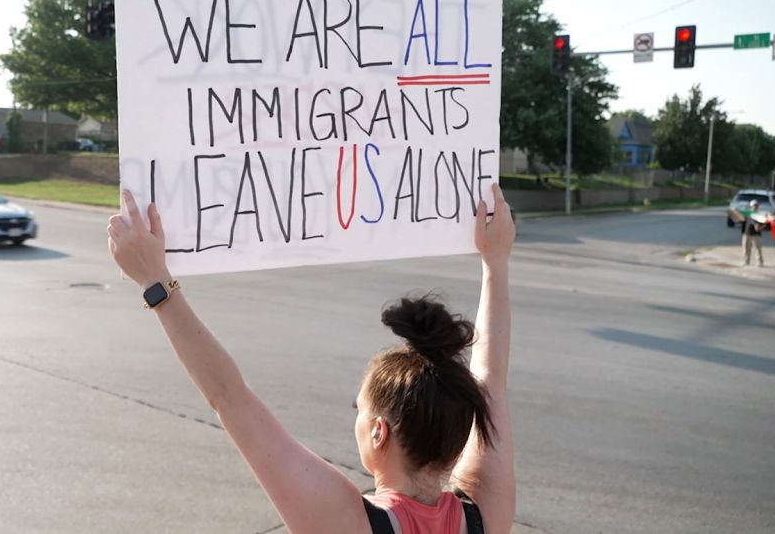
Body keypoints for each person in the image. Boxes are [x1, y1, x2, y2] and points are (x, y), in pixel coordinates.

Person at [107, 183, 516, 534]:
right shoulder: (485, 517)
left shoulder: (345, 522)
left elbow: (230, 397)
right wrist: (495, 261)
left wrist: (154, 279)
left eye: (359, 409)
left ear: (379, 432)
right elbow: (490, 377)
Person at [742, 200, 765, 267]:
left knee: (758, 248)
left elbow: (764, 224)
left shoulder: (760, 214)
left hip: (756, 234)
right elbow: (740, 220)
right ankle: (746, 261)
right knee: (746, 248)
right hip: (747, 233)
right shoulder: (747, 214)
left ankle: (760, 262)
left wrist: (760, 227)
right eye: (754, 206)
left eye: (756, 205)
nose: (755, 207)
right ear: (751, 207)